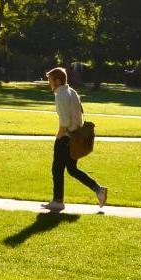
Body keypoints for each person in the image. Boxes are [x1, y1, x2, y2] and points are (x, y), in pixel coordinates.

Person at [43, 66, 108, 212]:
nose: (49, 83)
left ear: (57, 81)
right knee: (72, 169)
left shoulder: (60, 95)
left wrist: (59, 136)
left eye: (50, 80)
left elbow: (64, 122)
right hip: (75, 136)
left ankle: (58, 201)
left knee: (57, 169)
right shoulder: (71, 91)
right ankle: (98, 190)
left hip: (66, 137)